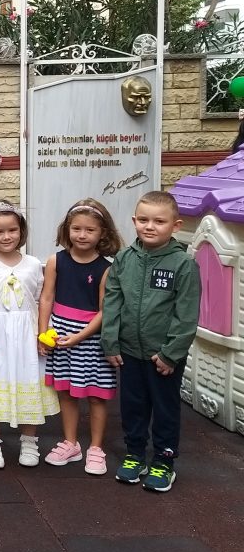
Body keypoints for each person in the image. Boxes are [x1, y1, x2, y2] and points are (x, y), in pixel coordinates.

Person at [101, 191, 201, 493]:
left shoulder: (183, 264)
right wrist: (111, 341)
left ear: (175, 225)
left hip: (163, 356)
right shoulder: (124, 259)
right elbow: (112, 301)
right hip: (129, 351)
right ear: (134, 221)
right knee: (133, 406)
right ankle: (135, 455)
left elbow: (186, 314)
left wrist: (171, 354)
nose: (150, 226)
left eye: (159, 221)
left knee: (165, 409)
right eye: (143, 220)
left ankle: (164, 461)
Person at [0, 200, 59, 469]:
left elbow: (40, 300)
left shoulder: (33, 264)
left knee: (29, 381)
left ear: (21, 230)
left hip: (27, 335)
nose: (6, 236)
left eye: (12, 230)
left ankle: (29, 441)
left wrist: (42, 334)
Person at [40, 199, 123, 476]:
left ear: (103, 233)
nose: (82, 235)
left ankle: (96, 448)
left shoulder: (106, 268)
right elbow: (46, 298)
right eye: (76, 228)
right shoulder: (56, 261)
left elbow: (104, 310)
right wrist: (43, 333)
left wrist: (80, 336)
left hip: (91, 338)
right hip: (60, 335)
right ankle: (71, 443)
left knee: (96, 395)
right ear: (67, 229)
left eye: (90, 230)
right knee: (66, 392)